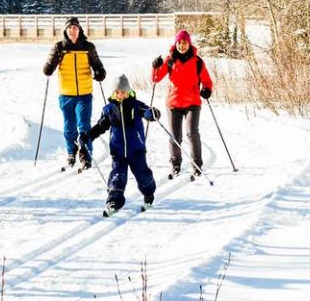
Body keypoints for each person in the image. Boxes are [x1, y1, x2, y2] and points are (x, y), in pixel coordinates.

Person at [82, 75, 160, 216]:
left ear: (128, 91)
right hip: (118, 151)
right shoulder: (109, 109)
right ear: (113, 93)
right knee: (117, 177)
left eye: (123, 92)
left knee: (143, 175)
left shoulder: (137, 105)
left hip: (136, 150)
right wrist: (87, 136)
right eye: (117, 92)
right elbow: (100, 126)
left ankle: (149, 193)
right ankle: (114, 201)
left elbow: (148, 113)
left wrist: (153, 113)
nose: (120, 95)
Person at [43, 16, 106, 169]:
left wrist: (99, 73)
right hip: (66, 94)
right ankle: (71, 152)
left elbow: (99, 66)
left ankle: (86, 154)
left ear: (79, 30)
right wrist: (49, 66)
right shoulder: (59, 47)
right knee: (69, 127)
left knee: (84, 126)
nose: (72, 30)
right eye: (70, 28)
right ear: (65, 31)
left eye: (75, 28)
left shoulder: (88, 47)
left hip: (84, 94)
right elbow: (47, 69)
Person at [151, 29, 215, 179]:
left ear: (189, 43)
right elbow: (156, 79)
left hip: (193, 103)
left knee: (192, 133)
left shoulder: (197, 61)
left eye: (185, 43)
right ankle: (175, 164)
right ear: (176, 43)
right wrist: (155, 66)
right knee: (175, 136)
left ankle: (197, 164)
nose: (182, 46)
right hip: (173, 104)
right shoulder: (170, 60)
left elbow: (207, 81)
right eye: (179, 43)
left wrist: (207, 90)